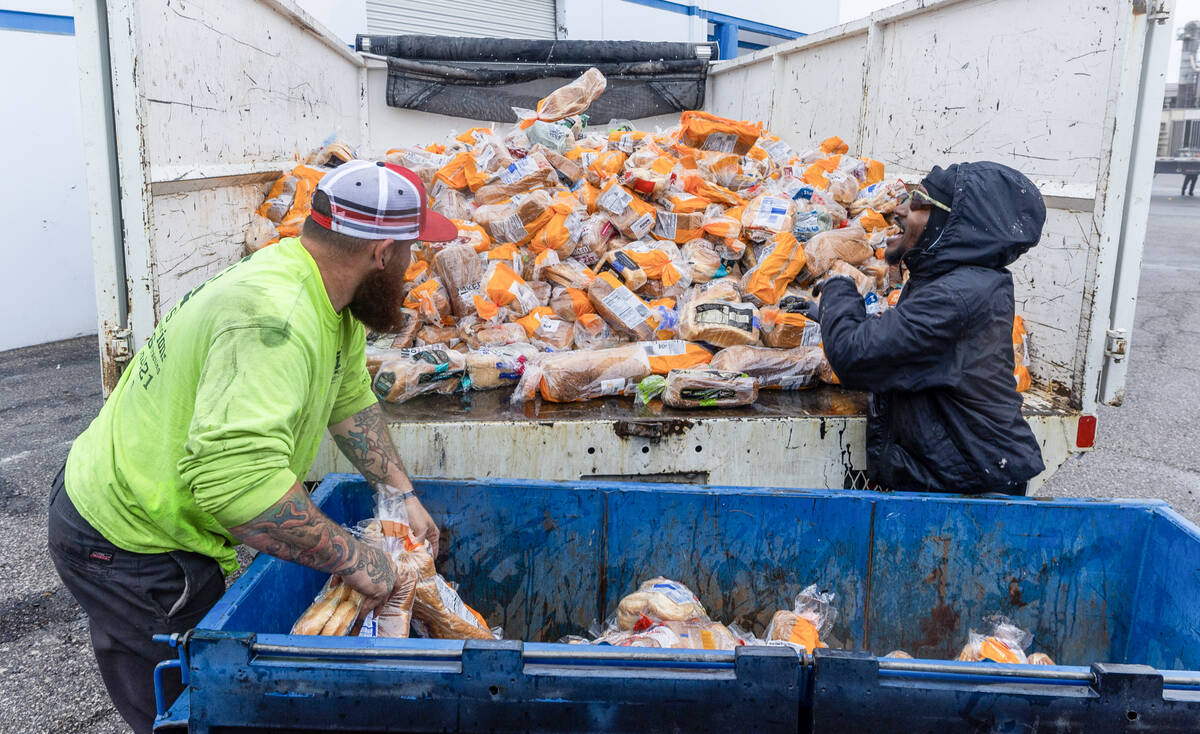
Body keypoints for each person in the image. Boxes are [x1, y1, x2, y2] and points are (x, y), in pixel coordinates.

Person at [48, 160, 459, 733]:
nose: (414, 269)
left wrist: (398, 493)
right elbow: (236, 487)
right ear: (383, 253)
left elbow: (349, 398)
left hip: (160, 514)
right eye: (413, 252)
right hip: (129, 541)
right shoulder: (276, 316)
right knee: (190, 710)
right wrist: (357, 559)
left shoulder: (326, 295)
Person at [817, 161, 1046, 495]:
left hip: (972, 491)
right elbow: (905, 342)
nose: (899, 209)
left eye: (919, 203)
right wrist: (824, 312)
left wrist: (839, 283)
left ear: (954, 224)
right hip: (957, 475)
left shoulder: (957, 296)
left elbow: (854, 354)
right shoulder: (957, 280)